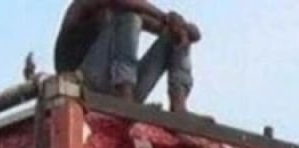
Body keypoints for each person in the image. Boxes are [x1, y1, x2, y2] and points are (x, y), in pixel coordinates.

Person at [55, 0, 200, 113]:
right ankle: (124, 91)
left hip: (118, 87)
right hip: (86, 83)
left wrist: (182, 28)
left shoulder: (122, 13)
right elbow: (123, 2)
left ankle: (178, 103)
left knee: (174, 37)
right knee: (130, 17)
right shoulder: (82, 5)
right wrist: (166, 17)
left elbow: (171, 28)